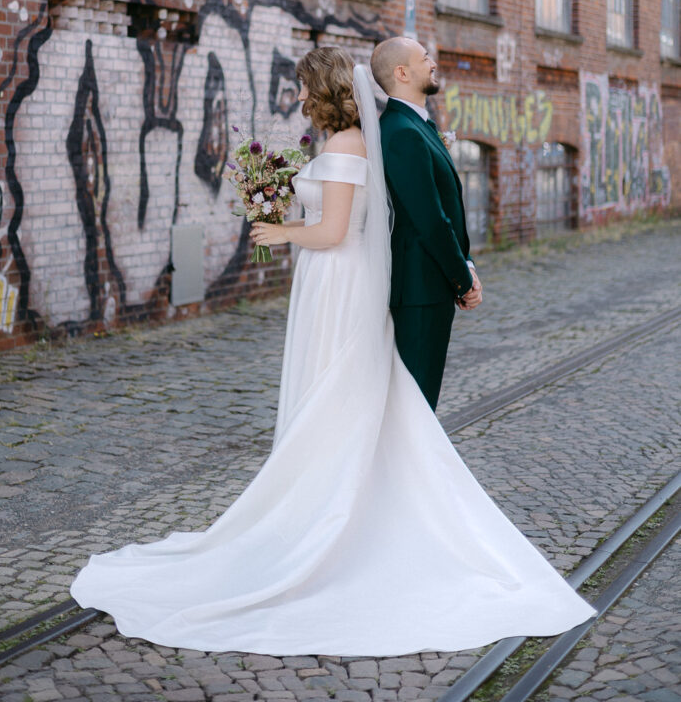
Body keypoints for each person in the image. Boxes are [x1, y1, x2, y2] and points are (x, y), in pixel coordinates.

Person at [71, 45, 595, 656]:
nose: (295, 98)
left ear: (322, 92)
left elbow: (335, 230)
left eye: (300, 88)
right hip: (330, 280)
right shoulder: (346, 145)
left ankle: (338, 515)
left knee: (338, 389)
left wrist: (279, 229)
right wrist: (270, 192)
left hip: (338, 279)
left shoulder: (349, 146)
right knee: (337, 390)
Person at [371, 36, 480, 411]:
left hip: (430, 287)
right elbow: (429, 218)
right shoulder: (401, 132)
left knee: (419, 405)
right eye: (425, 58)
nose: (433, 63)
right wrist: (462, 279)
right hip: (419, 291)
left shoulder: (419, 125)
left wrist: (466, 264)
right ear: (402, 72)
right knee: (415, 408)